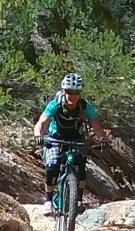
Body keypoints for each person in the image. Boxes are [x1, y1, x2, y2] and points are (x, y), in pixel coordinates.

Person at [32, 72, 110, 215]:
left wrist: (102, 138)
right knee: (51, 167)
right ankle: (48, 201)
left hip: (77, 139)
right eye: (69, 92)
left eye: (76, 92)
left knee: (80, 167)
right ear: (63, 91)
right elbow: (41, 123)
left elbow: (96, 126)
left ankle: (77, 200)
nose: (72, 96)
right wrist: (38, 135)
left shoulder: (86, 106)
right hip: (55, 137)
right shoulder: (55, 104)